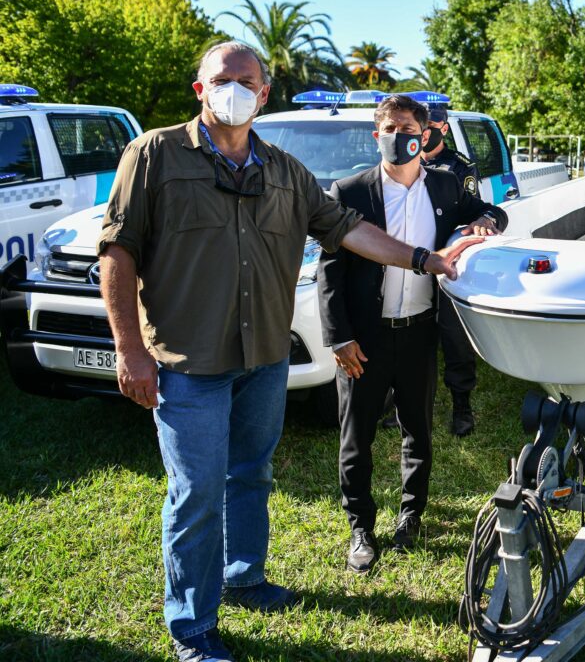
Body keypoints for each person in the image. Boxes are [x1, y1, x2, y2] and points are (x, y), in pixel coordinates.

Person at [97, 42, 479, 662]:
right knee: (196, 493)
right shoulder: (154, 155)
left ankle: (245, 576)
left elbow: (347, 230)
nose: (234, 90)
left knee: (252, 473)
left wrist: (421, 258)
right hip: (188, 362)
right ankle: (192, 627)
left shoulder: (284, 170)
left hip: (265, 356)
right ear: (200, 88)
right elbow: (117, 252)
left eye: (246, 81)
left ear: (264, 93)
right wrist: (129, 349)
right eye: (223, 80)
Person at [318, 95, 508, 575]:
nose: (397, 134)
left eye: (407, 127)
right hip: (365, 337)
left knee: (417, 432)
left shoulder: (444, 187)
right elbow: (330, 271)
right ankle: (361, 528)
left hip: (421, 331)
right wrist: (339, 338)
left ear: (424, 136)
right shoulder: (351, 191)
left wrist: (486, 220)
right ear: (376, 134)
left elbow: (492, 212)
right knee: (356, 436)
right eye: (389, 126)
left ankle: (411, 516)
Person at [419, 102, 490, 436]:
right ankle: (400, 400)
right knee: (411, 339)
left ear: (443, 129)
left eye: (428, 125)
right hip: (411, 264)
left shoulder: (458, 167)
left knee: (454, 338)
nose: (421, 132)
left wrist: (482, 220)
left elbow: (473, 212)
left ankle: (462, 406)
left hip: (446, 264)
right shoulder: (405, 162)